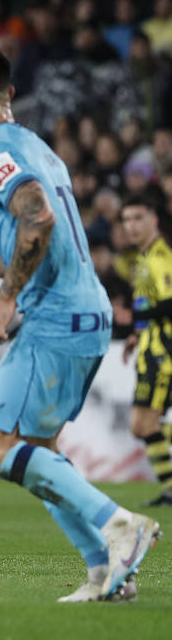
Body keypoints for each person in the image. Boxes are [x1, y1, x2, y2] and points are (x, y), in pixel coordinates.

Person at [0, 49, 157, 602]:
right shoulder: (39, 149)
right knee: (39, 450)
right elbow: (30, 243)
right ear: (11, 96)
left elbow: (37, 219)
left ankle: (120, 525)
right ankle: (105, 571)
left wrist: (3, 300)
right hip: (86, 312)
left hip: (54, 318)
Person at [114, 197, 172, 506]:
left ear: (153, 220)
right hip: (150, 349)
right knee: (142, 425)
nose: (131, 225)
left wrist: (134, 317)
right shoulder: (144, 260)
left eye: (138, 218)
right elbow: (150, 306)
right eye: (126, 219)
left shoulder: (161, 257)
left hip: (164, 354)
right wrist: (137, 334)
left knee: (143, 424)